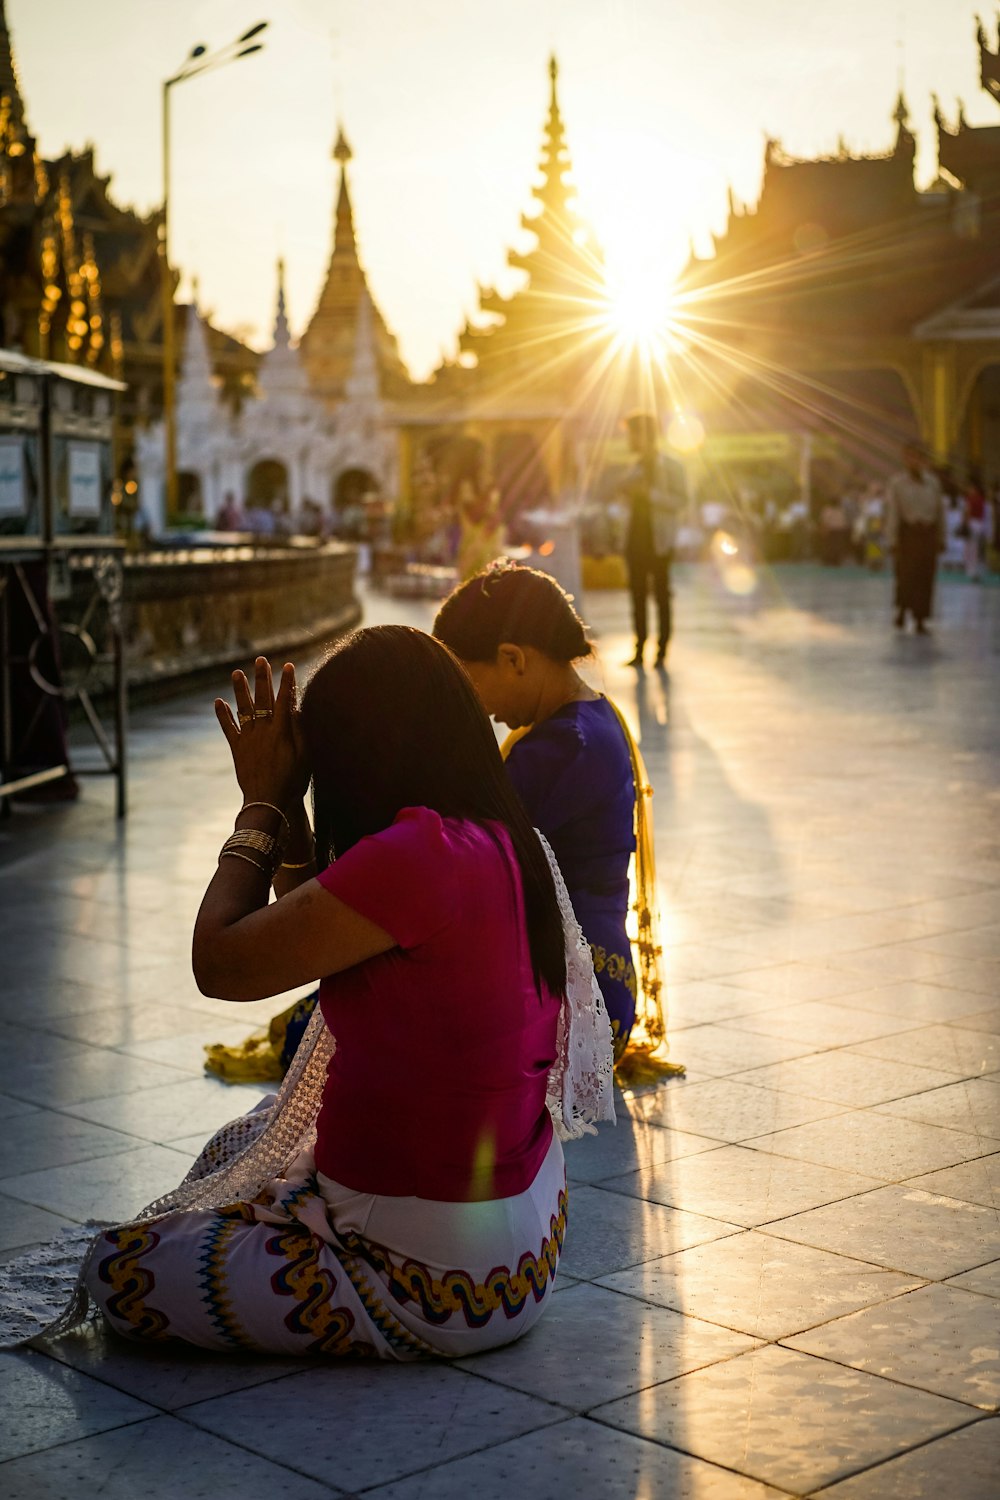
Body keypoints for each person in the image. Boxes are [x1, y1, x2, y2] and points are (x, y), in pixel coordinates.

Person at [1, 630, 613, 1357]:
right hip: (523, 1253)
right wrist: (289, 812)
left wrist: (261, 805)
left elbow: (222, 964)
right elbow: (317, 927)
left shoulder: (416, 858)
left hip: (431, 1277)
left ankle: (328, 1246)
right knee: (251, 1133)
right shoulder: (503, 837)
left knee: (118, 1273)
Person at [434, 562, 684, 1085]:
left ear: (512, 659)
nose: (474, 708)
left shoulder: (560, 747)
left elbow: (461, 866)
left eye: (468, 684)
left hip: (569, 1012)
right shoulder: (595, 715)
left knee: (355, 1019)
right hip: (604, 1001)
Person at [619, 411, 688, 669]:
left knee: (661, 595)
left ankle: (661, 651)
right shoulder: (634, 466)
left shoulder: (671, 466)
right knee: (636, 596)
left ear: (644, 435)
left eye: (632, 434)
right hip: (634, 539)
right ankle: (639, 649)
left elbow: (682, 501)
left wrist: (650, 494)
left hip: (659, 541)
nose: (629, 440)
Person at [885, 443, 945, 634]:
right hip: (908, 534)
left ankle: (921, 618)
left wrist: (941, 537)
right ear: (905, 459)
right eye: (910, 457)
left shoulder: (933, 483)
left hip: (927, 534)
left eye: (918, 458)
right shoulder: (897, 483)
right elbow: (893, 513)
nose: (915, 461)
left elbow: (940, 512)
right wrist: (892, 539)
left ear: (924, 461)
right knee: (905, 576)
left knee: (925, 577)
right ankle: (902, 611)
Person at [963, 470, 987, 583]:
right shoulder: (982, 499)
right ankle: (975, 570)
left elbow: (967, 512)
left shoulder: (971, 499)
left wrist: (965, 524)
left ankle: (971, 570)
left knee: (971, 549)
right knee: (976, 548)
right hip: (980, 525)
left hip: (973, 524)